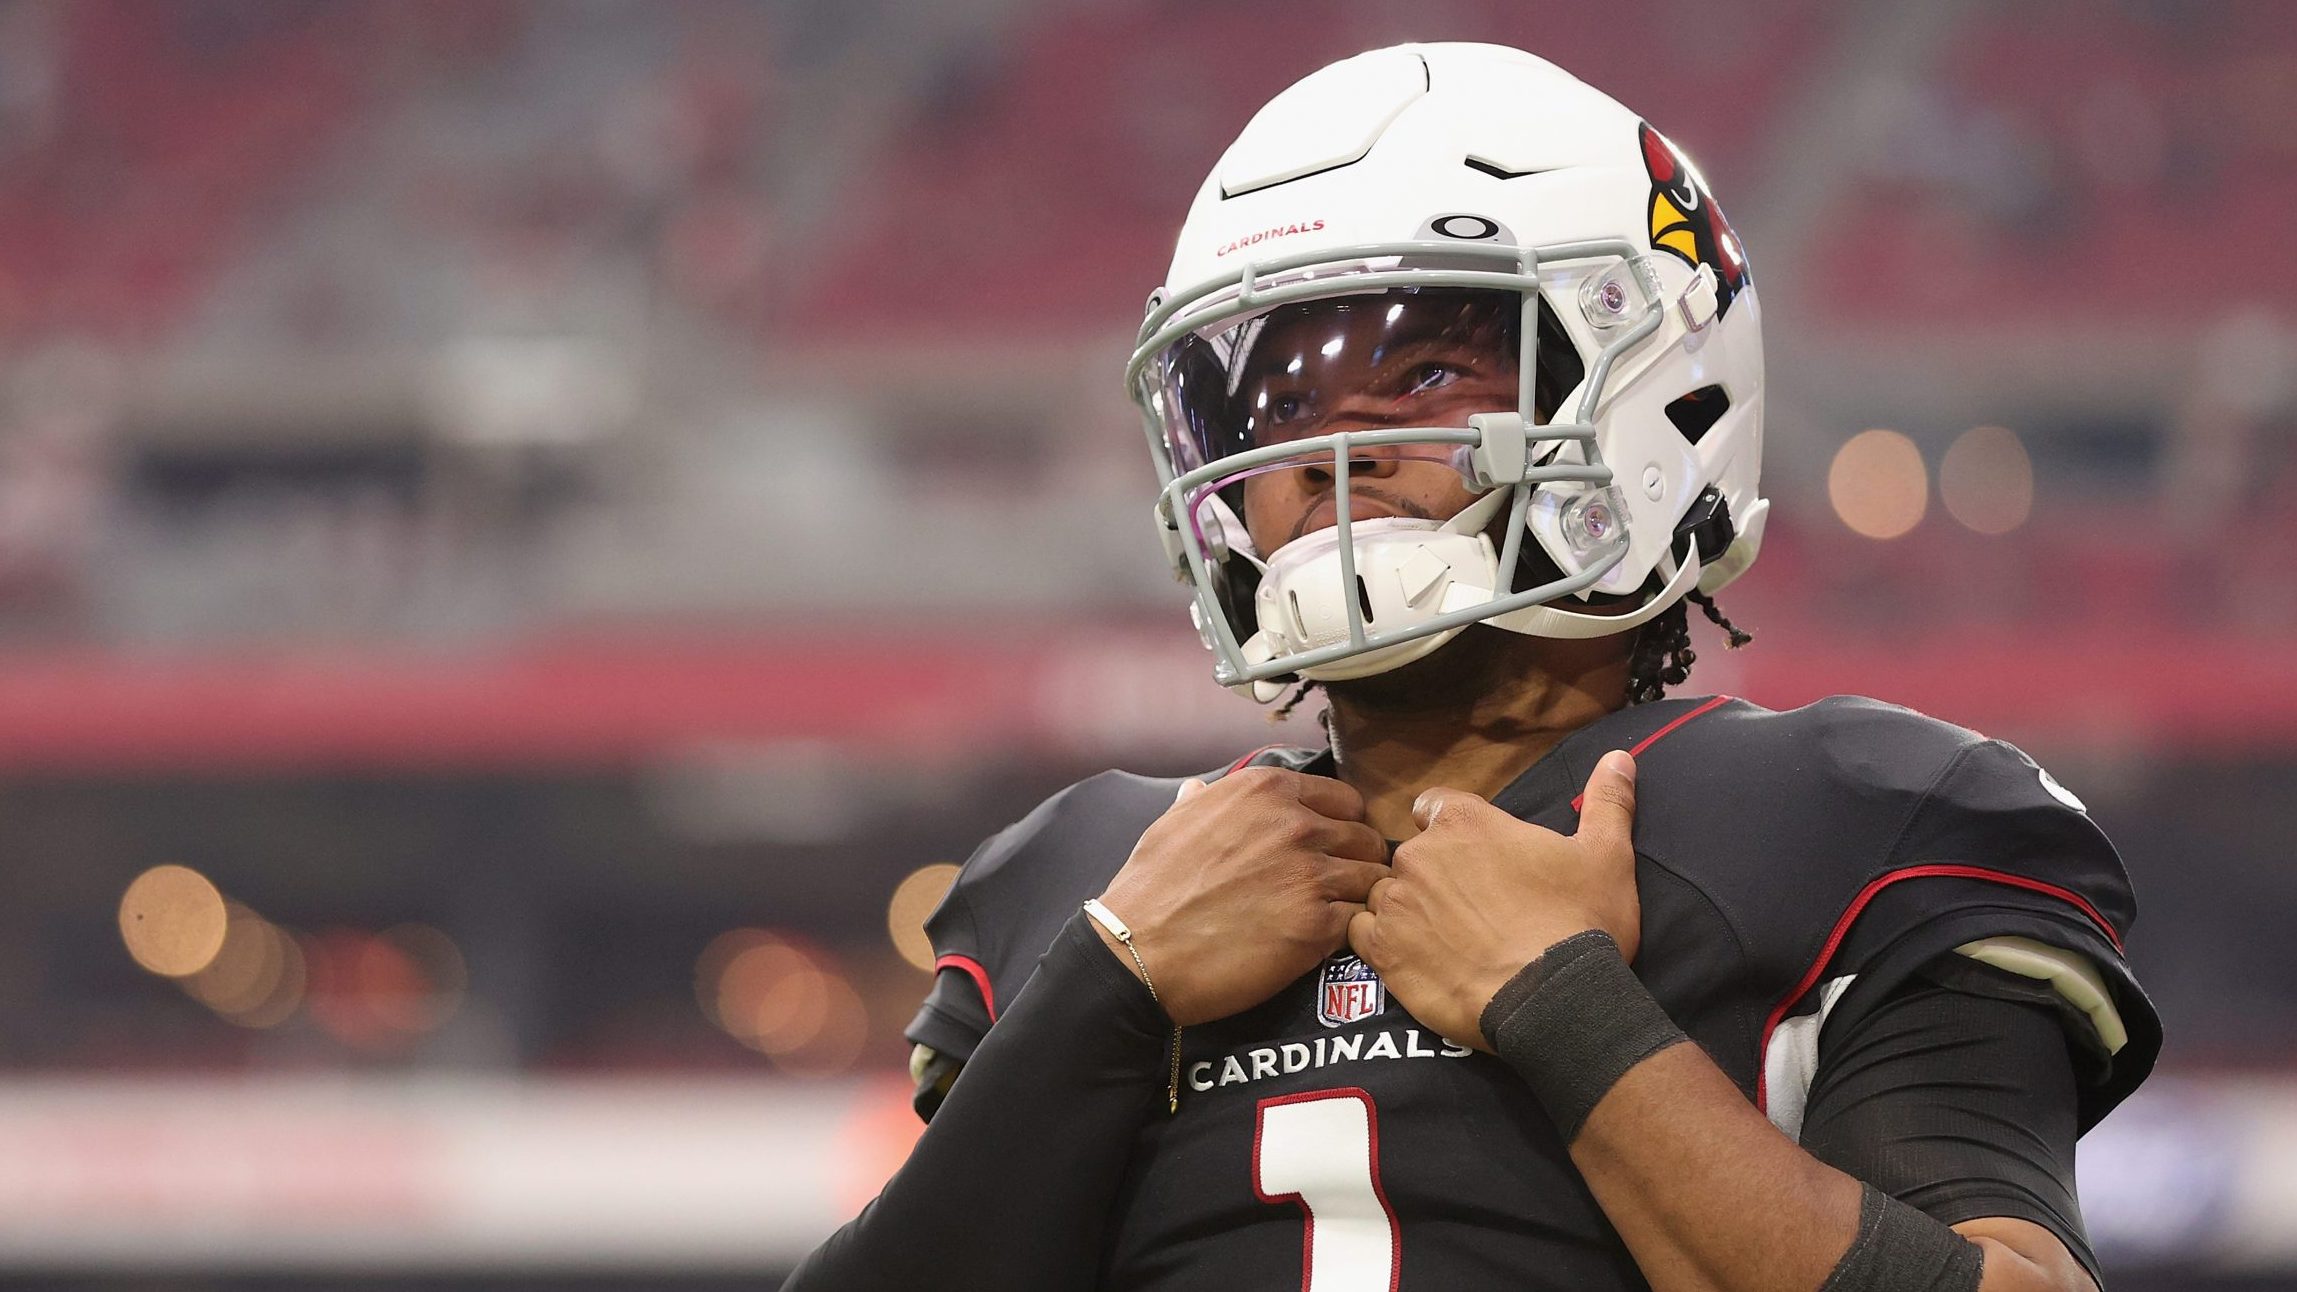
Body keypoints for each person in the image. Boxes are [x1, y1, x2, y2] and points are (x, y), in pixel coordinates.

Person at [785, 42, 2157, 1292]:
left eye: (1427, 374)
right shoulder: (1087, 874)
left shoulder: (1854, 815)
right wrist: (1109, 983)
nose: (1332, 450)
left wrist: (1567, 1015)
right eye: (1278, 401)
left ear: (1642, 393)